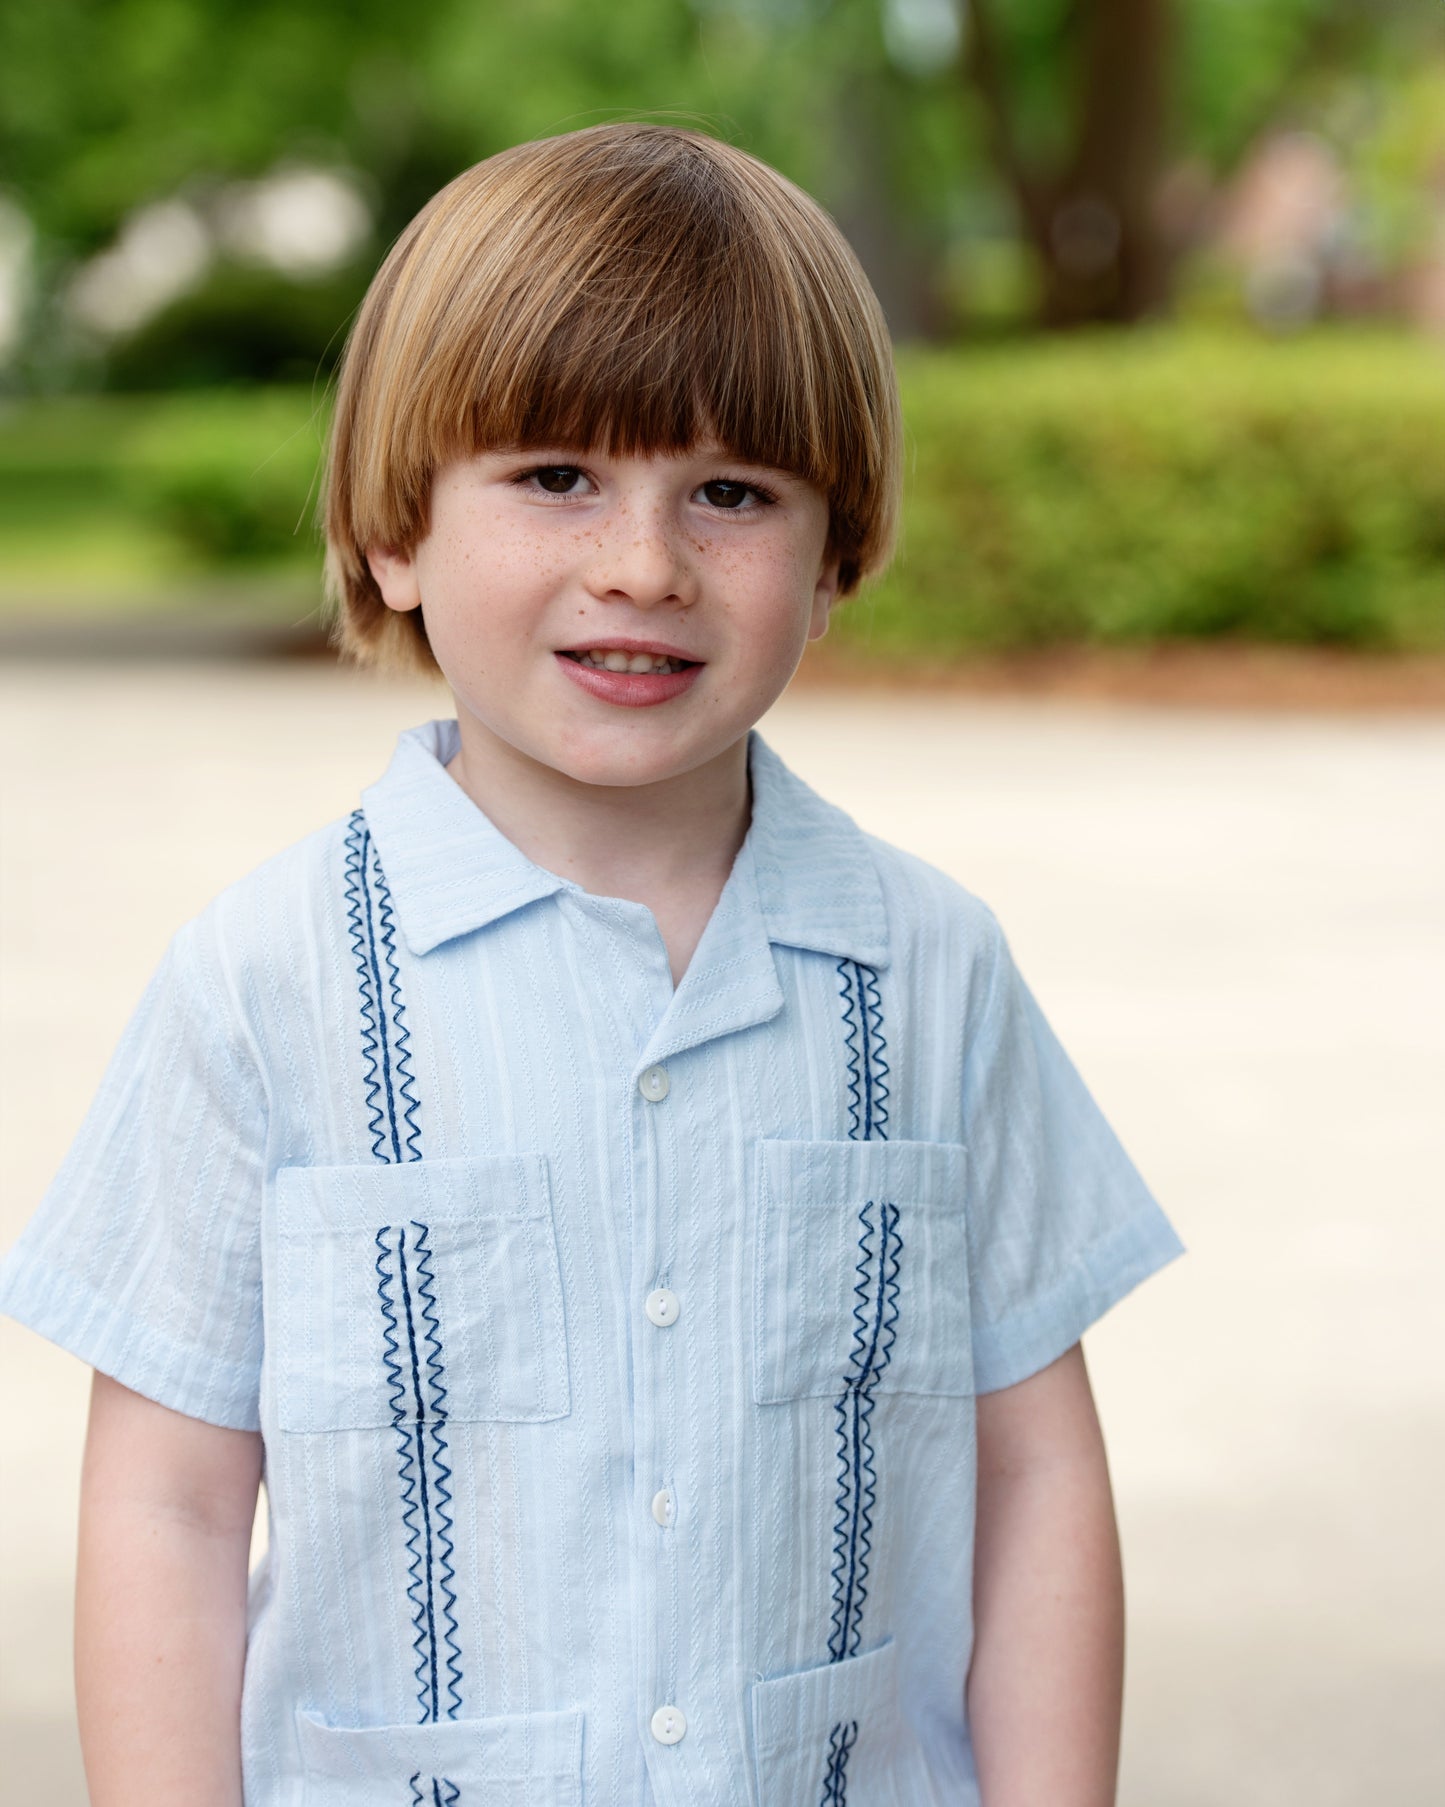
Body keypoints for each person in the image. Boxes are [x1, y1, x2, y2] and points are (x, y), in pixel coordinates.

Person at [0, 122, 1182, 1806]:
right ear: (393, 528)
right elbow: (169, 1504)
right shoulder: (268, 985)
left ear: (835, 555)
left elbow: (1032, 1472)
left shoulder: (931, 972)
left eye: (731, 492)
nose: (643, 563)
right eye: (555, 475)